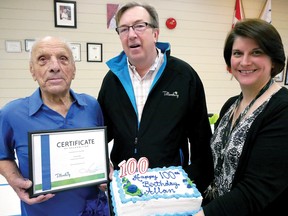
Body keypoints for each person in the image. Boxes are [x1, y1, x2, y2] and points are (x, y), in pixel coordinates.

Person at [97, 2, 213, 195]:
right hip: (125, 190)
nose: (131, 34)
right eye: (124, 29)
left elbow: (202, 142)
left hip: (171, 191)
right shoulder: (112, 81)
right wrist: (101, 168)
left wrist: (191, 186)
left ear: (156, 33)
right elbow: (99, 135)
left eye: (139, 26)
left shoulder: (183, 76)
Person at [0, 36, 109, 216]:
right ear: (32, 71)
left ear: (73, 70)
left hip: (94, 211)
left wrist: (104, 169)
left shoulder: (92, 106)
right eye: (43, 60)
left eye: (63, 58)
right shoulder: (12, 113)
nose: (54, 66)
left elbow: (99, 151)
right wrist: (14, 179)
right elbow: (2, 156)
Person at [196, 19, 288, 216]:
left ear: (274, 59)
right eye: (238, 53)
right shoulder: (231, 105)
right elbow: (211, 164)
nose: (245, 62)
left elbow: (256, 190)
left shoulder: (282, 109)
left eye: (256, 52)